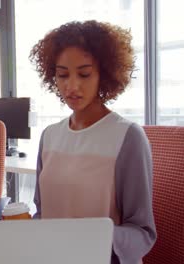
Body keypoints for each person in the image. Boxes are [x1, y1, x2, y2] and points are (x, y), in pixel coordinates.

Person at [29, 20, 156, 264]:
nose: (72, 86)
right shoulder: (49, 136)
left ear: (103, 75)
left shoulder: (127, 138)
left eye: (84, 74)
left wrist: (88, 238)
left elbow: (142, 233)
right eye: (62, 75)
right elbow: (42, 214)